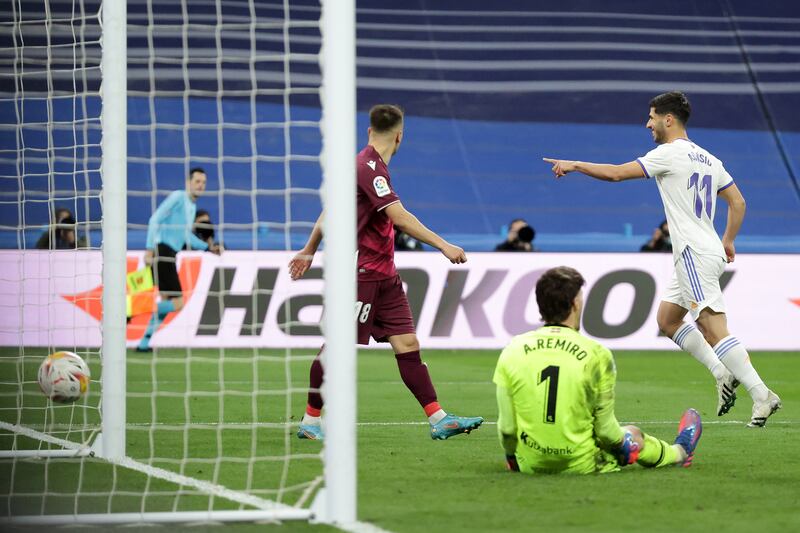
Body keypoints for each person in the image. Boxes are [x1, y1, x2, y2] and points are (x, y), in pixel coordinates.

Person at [543, 91, 781, 427]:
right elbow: (738, 202)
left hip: (693, 254)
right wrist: (728, 240)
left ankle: (761, 394)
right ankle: (722, 372)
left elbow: (615, 174)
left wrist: (576, 164)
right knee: (668, 320)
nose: (648, 123)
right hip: (707, 247)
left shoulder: (668, 154)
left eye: (652, 117)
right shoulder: (709, 159)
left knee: (713, 328)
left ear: (668, 119)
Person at [289, 104, 484, 441]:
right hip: (361, 274)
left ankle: (438, 418)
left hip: (384, 275)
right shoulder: (369, 168)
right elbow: (399, 216)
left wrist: (309, 248)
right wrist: (444, 245)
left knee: (408, 342)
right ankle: (310, 421)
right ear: (400, 136)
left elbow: (328, 211)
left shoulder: (363, 166)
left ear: (369, 130)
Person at [494, 266, 702, 474]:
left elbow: (507, 429)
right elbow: (606, 432)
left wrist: (514, 460)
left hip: (530, 464)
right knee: (633, 434)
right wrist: (623, 448)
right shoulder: (597, 354)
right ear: (575, 304)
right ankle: (680, 451)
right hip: (581, 464)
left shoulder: (512, 350)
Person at [137, 167, 221, 352]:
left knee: (166, 299)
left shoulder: (191, 207)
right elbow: (154, 219)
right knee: (178, 303)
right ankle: (129, 311)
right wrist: (149, 249)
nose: (201, 185)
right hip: (162, 251)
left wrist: (208, 248)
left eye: (204, 183)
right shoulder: (178, 197)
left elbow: (185, 237)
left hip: (169, 255)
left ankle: (144, 343)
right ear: (188, 182)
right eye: (197, 181)